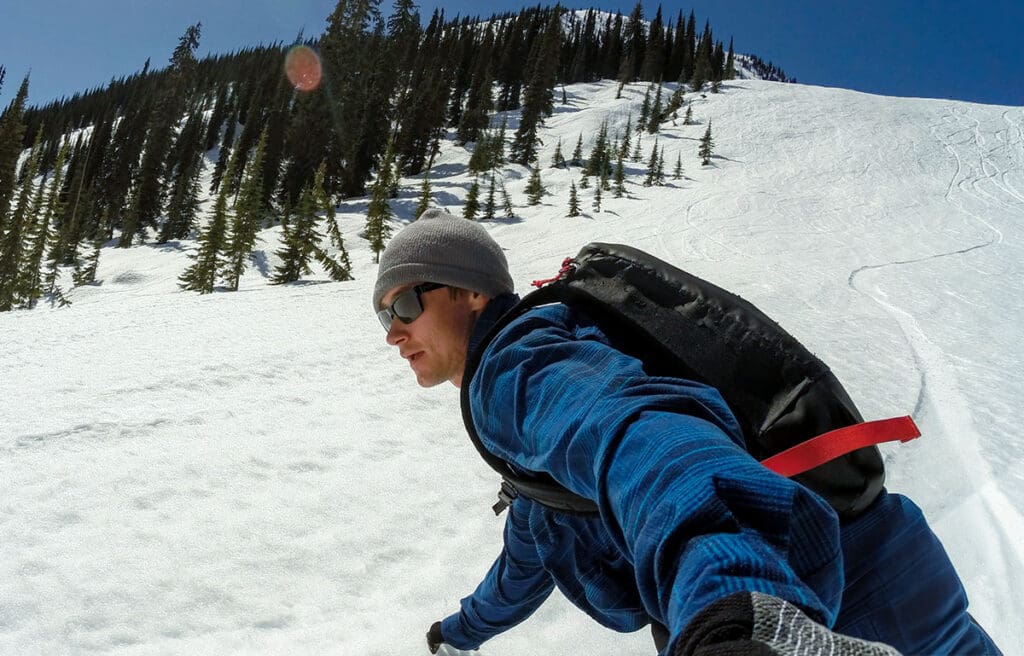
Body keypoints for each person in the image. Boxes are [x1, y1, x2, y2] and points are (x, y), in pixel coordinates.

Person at [373, 208, 1001, 656]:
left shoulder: (516, 368)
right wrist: (459, 633)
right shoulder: (559, 354)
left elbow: (646, 440)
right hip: (893, 560)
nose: (394, 332)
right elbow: (530, 551)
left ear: (473, 294)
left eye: (406, 305)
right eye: (383, 316)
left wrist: (739, 609)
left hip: (813, 598)